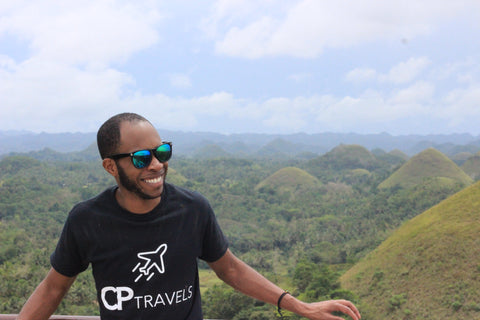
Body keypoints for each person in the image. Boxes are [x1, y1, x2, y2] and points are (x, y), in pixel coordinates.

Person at [17, 113, 361, 320]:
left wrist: (299, 306)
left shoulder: (192, 209)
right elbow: (53, 288)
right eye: (141, 158)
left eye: (161, 152)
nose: (156, 165)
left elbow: (229, 268)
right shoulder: (87, 220)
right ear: (110, 166)